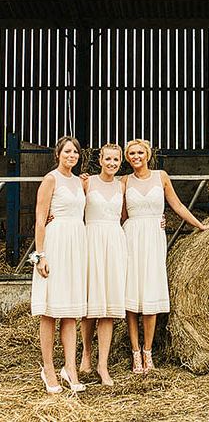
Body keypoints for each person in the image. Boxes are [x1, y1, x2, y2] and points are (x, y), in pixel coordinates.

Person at [123, 139, 208, 374]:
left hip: (153, 238)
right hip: (131, 237)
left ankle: (148, 352)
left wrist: (201, 225)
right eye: (131, 153)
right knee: (131, 297)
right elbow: (115, 212)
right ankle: (135, 352)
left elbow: (177, 206)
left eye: (140, 152)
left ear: (147, 154)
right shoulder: (124, 181)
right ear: (127, 156)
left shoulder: (161, 177)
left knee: (150, 294)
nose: (136, 156)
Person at [30, 136, 87, 393]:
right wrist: (39, 255)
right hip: (55, 245)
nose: (71, 155)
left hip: (76, 245)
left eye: (75, 152)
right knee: (50, 311)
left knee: (70, 311)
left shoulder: (80, 182)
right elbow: (40, 220)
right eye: (67, 151)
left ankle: (70, 368)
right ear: (58, 154)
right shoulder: (50, 179)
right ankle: (48, 369)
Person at [79, 143, 127, 387]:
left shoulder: (122, 185)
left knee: (109, 307)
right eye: (108, 158)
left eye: (116, 160)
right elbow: (71, 206)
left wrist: (158, 220)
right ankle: (86, 354)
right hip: (91, 241)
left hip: (115, 242)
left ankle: (103, 365)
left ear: (120, 162)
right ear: (100, 160)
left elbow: (129, 215)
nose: (112, 163)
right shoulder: (87, 183)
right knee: (90, 305)